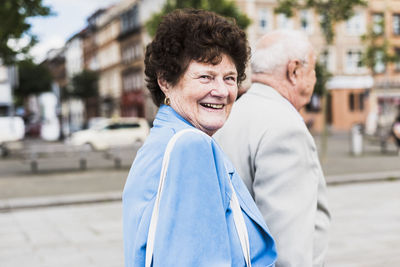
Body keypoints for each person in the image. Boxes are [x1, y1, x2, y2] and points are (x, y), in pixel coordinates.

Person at [122, 9, 276, 267]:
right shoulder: (190, 147)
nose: (222, 91)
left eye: (229, 78)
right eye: (205, 76)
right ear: (165, 82)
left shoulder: (164, 139)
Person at [215, 29, 331, 267]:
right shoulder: (286, 129)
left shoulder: (229, 115)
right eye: (313, 71)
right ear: (294, 71)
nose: (315, 79)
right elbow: (287, 248)